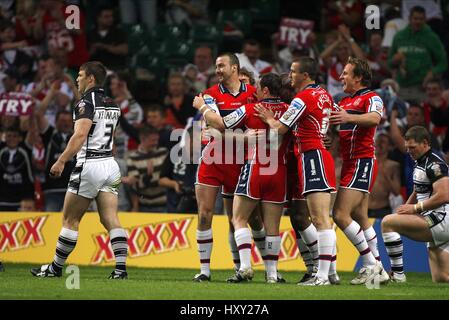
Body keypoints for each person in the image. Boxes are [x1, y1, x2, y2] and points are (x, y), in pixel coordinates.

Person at [30, 61, 128, 279]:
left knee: (70, 220)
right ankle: (120, 269)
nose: (77, 79)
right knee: (111, 218)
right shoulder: (113, 104)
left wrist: (62, 160)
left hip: (90, 164)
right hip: (110, 165)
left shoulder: (84, 103)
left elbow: (81, 135)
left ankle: (55, 268)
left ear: (91, 78)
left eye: (81, 75)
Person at [194, 73, 290, 283]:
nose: (252, 88)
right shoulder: (288, 110)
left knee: (238, 219)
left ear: (264, 90)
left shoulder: (250, 108)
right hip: (278, 169)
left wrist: (202, 108)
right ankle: (272, 275)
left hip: (254, 166)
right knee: (272, 226)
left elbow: (221, 125)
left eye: (255, 85)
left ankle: (245, 267)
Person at [256, 57, 337, 286]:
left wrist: (270, 119)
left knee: (319, 219)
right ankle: (325, 272)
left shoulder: (302, 98)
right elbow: (329, 115)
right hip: (313, 155)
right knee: (311, 218)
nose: (289, 75)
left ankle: (323, 274)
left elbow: (281, 128)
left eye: (293, 71)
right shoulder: (324, 94)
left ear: (305, 74)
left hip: (312, 156)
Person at [192, 52, 266, 282]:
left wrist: (221, 129)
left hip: (242, 162)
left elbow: (222, 126)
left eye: (221, 65)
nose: (218, 70)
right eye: (216, 66)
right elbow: (214, 124)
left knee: (248, 219)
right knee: (204, 215)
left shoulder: (254, 95)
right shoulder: (210, 94)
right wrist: (237, 134)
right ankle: (205, 271)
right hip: (212, 160)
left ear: (234, 68)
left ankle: (268, 269)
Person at [329, 56, 389, 285]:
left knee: (340, 214)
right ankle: (378, 267)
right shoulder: (343, 102)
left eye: (346, 73)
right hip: (349, 162)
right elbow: (338, 132)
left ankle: (371, 266)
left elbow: (375, 118)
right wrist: (328, 139)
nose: (341, 76)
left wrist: (348, 117)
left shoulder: (372, 97)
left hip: (362, 161)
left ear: (359, 77)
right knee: (360, 217)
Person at [382, 126, 449, 283]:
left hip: (441, 219)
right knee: (441, 278)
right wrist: (405, 208)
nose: (409, 151)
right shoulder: (421, 161)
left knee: (387, 223)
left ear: (425, 143)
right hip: (437, 219)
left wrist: (414, 208)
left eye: (412, 147)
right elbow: (419, 189)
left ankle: (398, 275)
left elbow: (445, 194)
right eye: (407, 148)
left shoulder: (434, 164)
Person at [388, 5, 447, 102]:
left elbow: (443, 63)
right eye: (415, 18)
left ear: (425, 20)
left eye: (421, 19)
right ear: (409, 19)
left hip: (422, 89)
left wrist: (432, 73)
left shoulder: (432, 37)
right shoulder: (399, 37)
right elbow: (390, 62)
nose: (418, 22)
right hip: (401, 88)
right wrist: (395, 60)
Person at [368, 133, 402, 218]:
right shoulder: (367, 163)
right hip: (365, 208)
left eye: (383, 142)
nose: (379, 144)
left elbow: (396, 192)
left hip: (382, 209)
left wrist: (386, 174)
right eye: (378, 141)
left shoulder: (393, 166)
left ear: (389, 147)